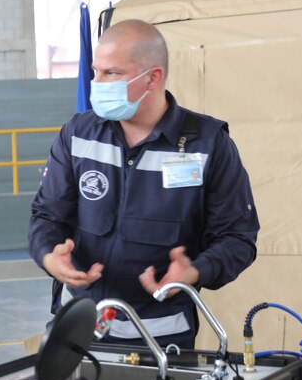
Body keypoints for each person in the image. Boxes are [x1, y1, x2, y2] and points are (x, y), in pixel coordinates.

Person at [29, 19, 259, 348]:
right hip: (76, 326)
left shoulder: (207, 145)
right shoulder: (78, 134)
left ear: (153, 78)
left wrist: (194, 271)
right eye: (96, 71)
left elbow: (238, 238)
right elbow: (47, 215)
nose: (97, 83)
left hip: (162, 338)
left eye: (112, 73)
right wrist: (49, 255)